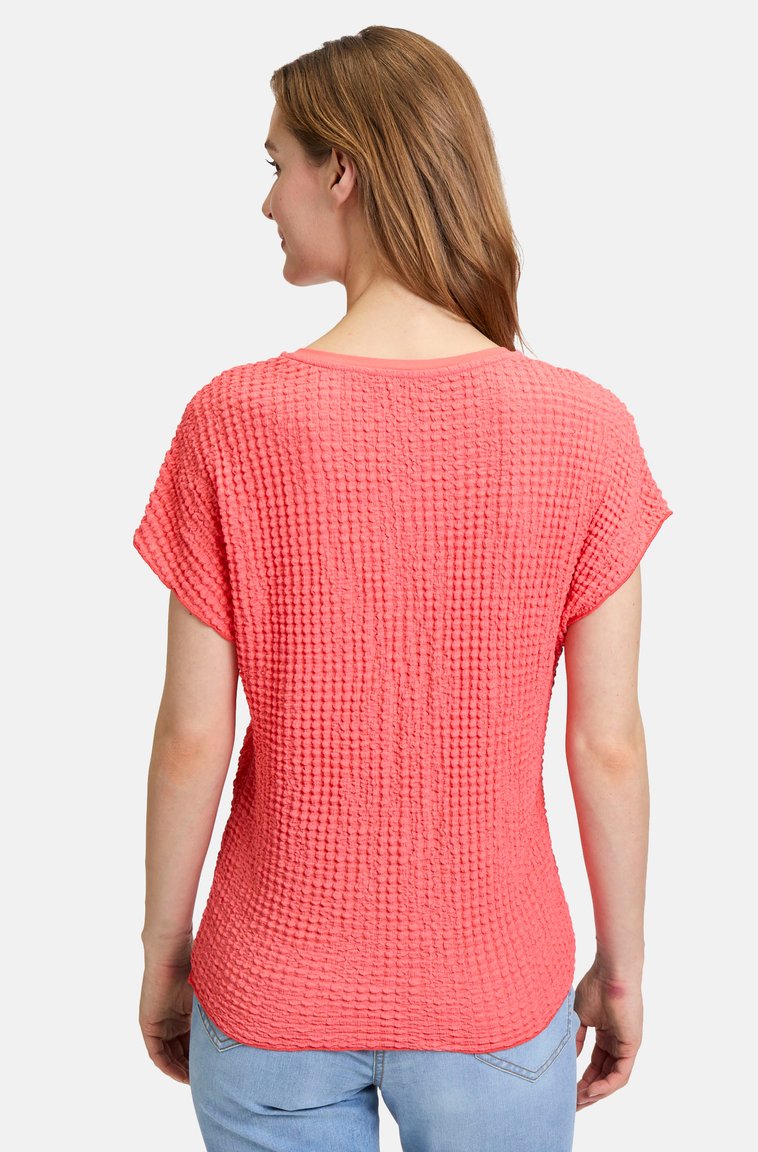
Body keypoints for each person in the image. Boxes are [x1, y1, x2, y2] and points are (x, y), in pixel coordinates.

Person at [133, 25, 673, 1152]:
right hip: (494, 992)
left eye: (276, 163)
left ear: (342, 169)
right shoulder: (584, 430)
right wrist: (620, 975)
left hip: (270, 986)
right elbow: (607, 744)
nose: (267, 200)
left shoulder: (233, 422)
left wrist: (164, 952)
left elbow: (192, 735)